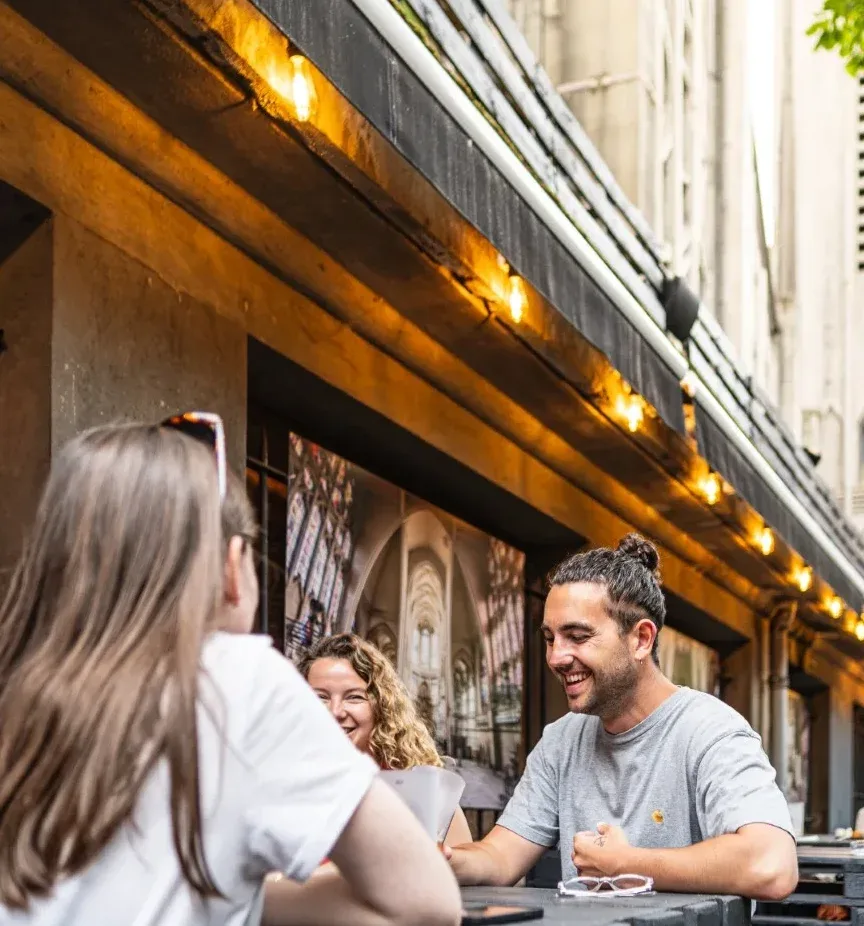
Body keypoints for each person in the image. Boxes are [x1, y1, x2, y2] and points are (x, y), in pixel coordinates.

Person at [0, 417, 460, 926]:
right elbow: (428, 903)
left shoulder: (20, 681)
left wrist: (243, 898)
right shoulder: (235, 680)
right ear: (230, 569)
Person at [446, 533, 798, 901]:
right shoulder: (561, 740)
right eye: (551, 638)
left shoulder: (711, 731)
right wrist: (440, 858)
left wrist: (626, 864)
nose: (555, 657)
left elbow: (772, 866)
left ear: (641, 639)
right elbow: (500, 857)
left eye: (578, 636)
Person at [297, 633, 473, 846]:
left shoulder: (427, 794)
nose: (335, 712)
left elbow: (454, 872)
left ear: (382, 707)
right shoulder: (279, 784)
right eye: (320, 697)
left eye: (354, 697)